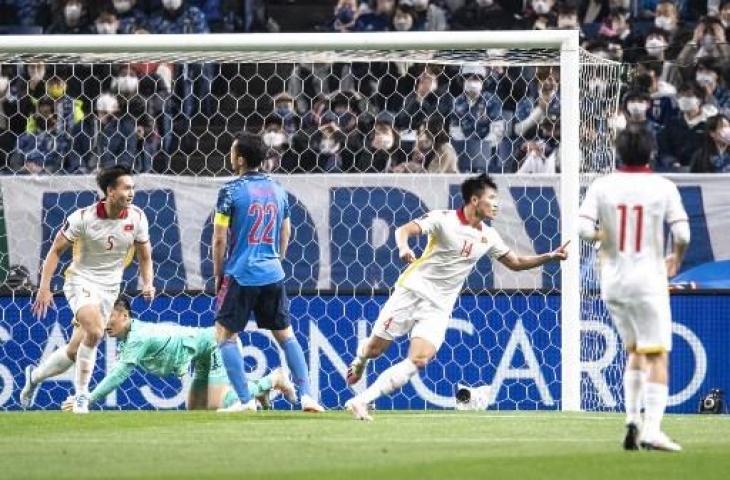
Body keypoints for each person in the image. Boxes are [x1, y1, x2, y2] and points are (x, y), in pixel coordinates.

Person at [344, 173, 569, 421]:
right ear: (474, 200)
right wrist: (404, 247)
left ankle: (361, 400)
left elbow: (515, 263)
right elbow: (403, 230)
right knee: (374, 350)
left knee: (419, 359)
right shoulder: (444, 219)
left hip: (439, 306)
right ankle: (360, 360)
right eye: (491, 198)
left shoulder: (489, 236)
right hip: (412, 292)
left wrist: (549, 256)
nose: (496, 204)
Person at [578, 128, 690, 451]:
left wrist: (606, 239)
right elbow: (682, 234)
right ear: (651, 152)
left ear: (618, 152)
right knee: (657, 354)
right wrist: (676, 260)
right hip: (647, 281)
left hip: (612, 282)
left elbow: (584, 228)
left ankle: (631, 419)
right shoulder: (662, 187)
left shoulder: (603, 185)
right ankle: (652, 428)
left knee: (635, 350)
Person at [23, 165, 155, 414]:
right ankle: (82, 396)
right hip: (80, 280)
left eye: (133, 188)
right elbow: (55, 251)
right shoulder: (83, 218)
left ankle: (35, 377)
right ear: (110, 191)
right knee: (95, 331)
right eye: (126, 188)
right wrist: (44, 287)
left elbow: (145, 257)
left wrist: (148, 282)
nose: (131, 193)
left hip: (109, 289)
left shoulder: (137, 217)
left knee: (75, 350)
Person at [212, 132, 323, 412]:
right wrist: (277, 260)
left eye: (232, 151)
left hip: (241, 273)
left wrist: (218, 274)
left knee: (225, 335)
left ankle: (245, 401)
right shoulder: (278, 189)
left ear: (239, 158)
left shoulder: (231, 191)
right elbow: (286, 231)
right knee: (286, 335)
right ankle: (307, 395)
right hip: (273, 273)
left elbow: (219, 238)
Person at [59, 297, 296, 411]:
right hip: (201, 354)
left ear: (124, 316)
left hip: (215, 344)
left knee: (219, 404)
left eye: (110, 317)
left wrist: (87, 398)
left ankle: (274, 379)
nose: (106, 324)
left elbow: (118, 375)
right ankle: (259, 391)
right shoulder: (130, 336)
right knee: (195, 410)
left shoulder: (138, 339)